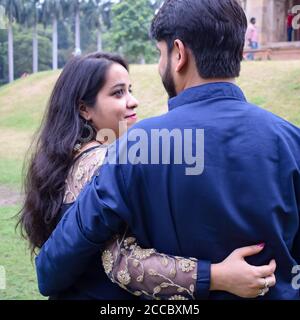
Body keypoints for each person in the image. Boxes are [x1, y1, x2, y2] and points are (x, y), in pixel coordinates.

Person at [35, 0, 300, 300]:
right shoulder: (292, 140)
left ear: (179, 54)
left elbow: (53, 266)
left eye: (161, 54)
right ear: (239, 52)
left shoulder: (138, 146)